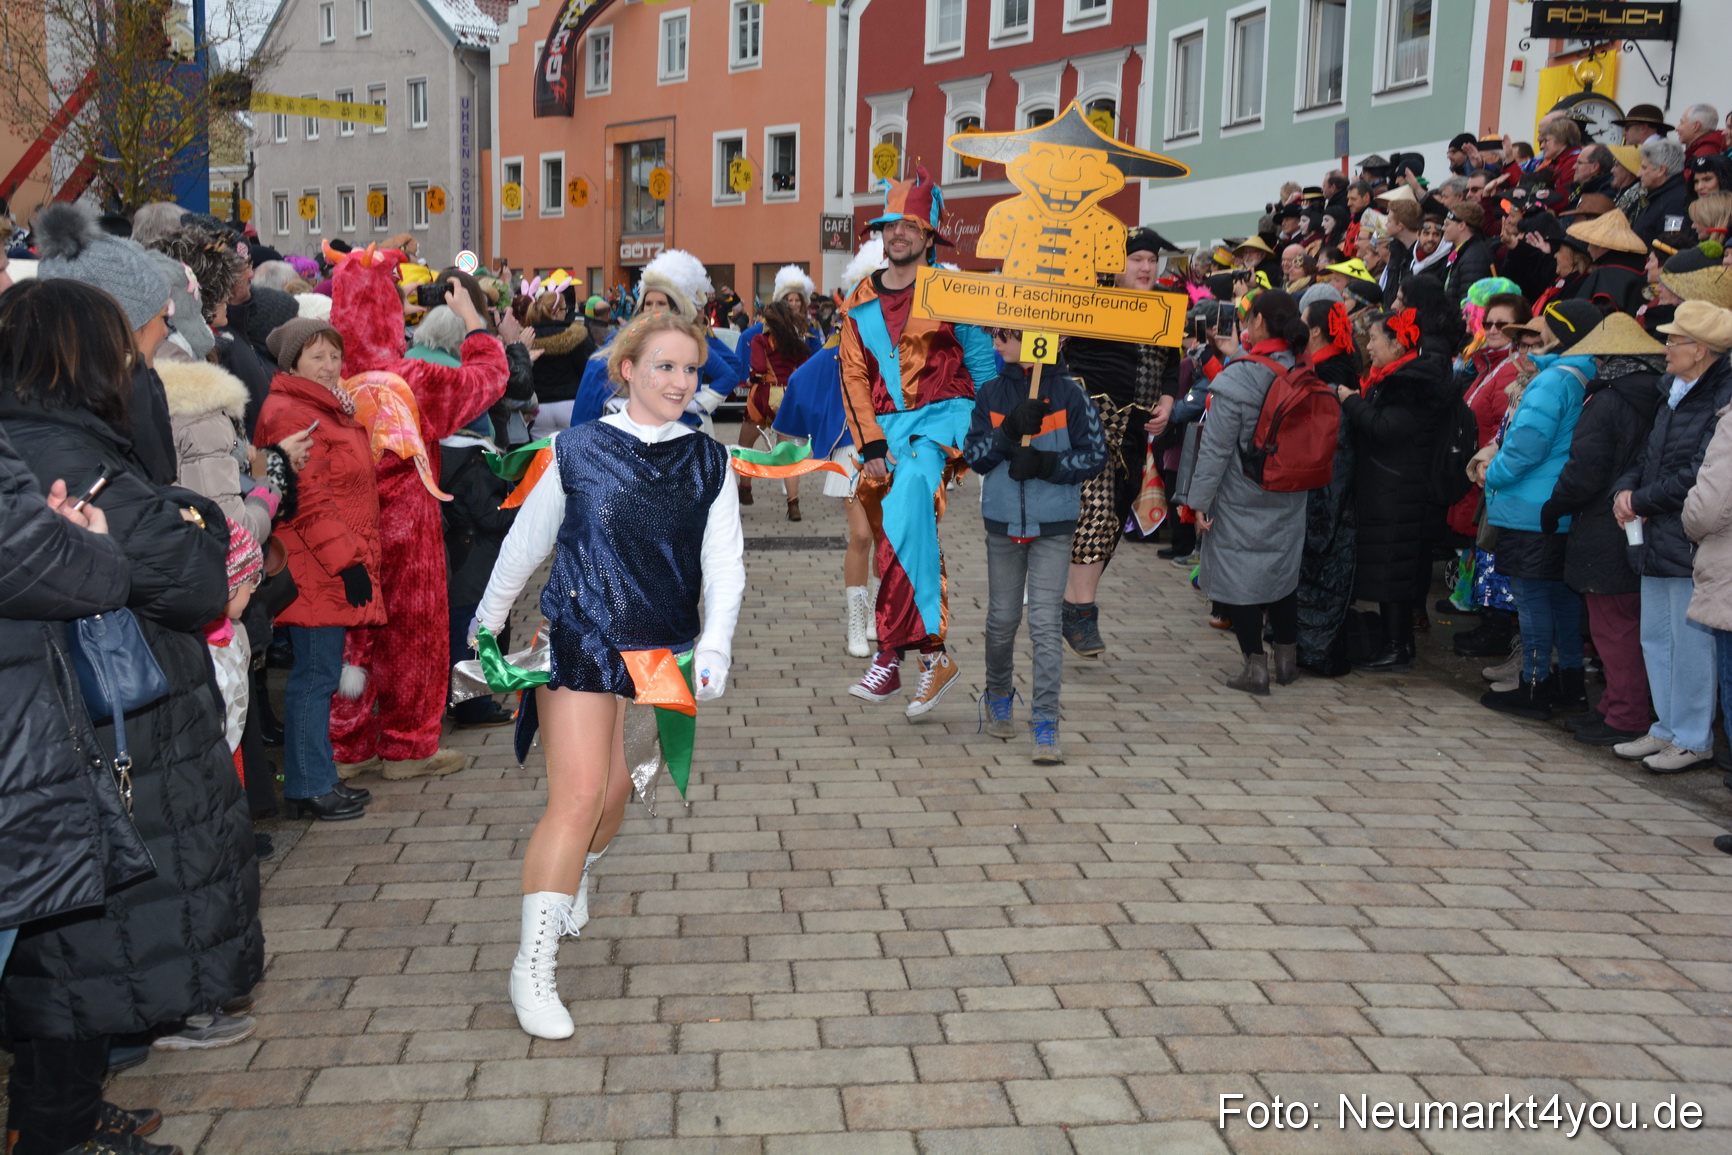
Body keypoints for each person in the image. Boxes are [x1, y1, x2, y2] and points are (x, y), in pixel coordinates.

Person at [0, 279, 263, 1150]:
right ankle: (59, 1129)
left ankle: (66, 1112)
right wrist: (192, 524)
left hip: (64, 743)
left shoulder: (30, 445)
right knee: (83, 958)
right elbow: (193, 579)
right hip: (101, 750)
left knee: (65, 961)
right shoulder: (73, 459)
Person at [471, 313, 744, 1039]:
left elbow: (724, 564)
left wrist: (715, 643)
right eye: (664, 366)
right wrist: (485, 624)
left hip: (656, 646)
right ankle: (532, 963)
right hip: (582, 637)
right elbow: (523, 547)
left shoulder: (709, 460)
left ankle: (574, 875)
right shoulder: (576, 449)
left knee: (617, 792)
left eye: (691, 369)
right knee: (581, 793)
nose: (681, 382)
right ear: (627, 368)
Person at [327, 255, 509, 781]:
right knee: (415, 634)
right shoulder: (409, 378)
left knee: (352, 638)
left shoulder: (324, 379)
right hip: (407, 525)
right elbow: (489, 378)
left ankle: (348, 748)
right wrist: (474, 322)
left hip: (343, 527)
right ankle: (407, 745)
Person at [840, 165, 996, 715]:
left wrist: (986, 430)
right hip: (885, 432)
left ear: (929, 233)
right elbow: (853, 377)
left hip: (943, 420)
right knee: (898, 533)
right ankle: (931, 656)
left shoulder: (953, 292)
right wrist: (872, 445)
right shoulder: (859, 300)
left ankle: (890, 654)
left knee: (907, 502)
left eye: (909, 225)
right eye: (890, 226)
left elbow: (980, 364)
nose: (898, 234)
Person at [254, 317, 379, 819]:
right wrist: (347, 562)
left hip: (324, 562)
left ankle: (318, 777)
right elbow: (308, 498)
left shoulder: (324, 407)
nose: (330, 366)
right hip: (315, 565)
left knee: (320, 673)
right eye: (317, 356)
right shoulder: (290, 411)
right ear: (293, 363)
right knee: (314, 677)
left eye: (334, 355)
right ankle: (307, 785)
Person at [964, 328, 1106, 762]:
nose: (995, 345)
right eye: (995, 336)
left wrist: (1048, 463)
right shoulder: (990, 393)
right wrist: (1007, 432)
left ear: (1034, 339)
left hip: (1054, 525)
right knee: (1002, 620)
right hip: (1003, 524)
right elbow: (974, 457)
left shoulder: (1070, 394)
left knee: (1045, 625)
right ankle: (998, 693)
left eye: (1005, 337)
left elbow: (1095, 453)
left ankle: (1046, 723)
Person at [1612, 299, 1732, 772]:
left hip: (1689, 534)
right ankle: (1665, 726)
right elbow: (1649, 453)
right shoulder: (1674, 390)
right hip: (1655, 532)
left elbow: (1698, 474)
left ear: (1700, 350)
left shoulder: (1719, 398)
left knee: (1691, 644)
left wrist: (1639, 500)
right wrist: (1626, 488)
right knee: (1656, 636)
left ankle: (1693, 735)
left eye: (1673, 341)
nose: (1665, 349)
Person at [1540, 313, 1665, 745]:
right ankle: (1616, 706)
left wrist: (1556, 504)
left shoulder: (1610, 399)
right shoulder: (1657, 395)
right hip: (1632, 523)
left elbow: (1586, 469)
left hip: (1603, 524)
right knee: (1621, 624)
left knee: (1614, 628)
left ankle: (1625, 714)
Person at [1058, 228, 1181, 660]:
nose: (1146, 267)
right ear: (1118, 264)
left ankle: (1069, 601)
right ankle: (1080, 611)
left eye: (1151, 260)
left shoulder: (1166, 306)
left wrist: (1166, 400)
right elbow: (1056, 344)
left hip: (1136, 427)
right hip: (1090, 417)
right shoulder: (1089, 296)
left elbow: (1171, 365)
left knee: (1116, 511)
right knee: (1098, 506)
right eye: (1137, 260)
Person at [1477, 300, 1601, 718]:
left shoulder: (1552, 381)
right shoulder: (1585, 374)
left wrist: (1492, 474)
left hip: (1531, 507)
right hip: (1558, 507)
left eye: (1544, 329)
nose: (1536, 337)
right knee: (1561, 600)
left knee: (1532, 600)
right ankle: (1569, 685)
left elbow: (1527, 445)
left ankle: (1534, 687)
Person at [1188, 290, 1316, 694]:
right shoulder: (1303, 367)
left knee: (1239, 577)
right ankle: (1287, 662)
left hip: (1240, 493)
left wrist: (1198, 502)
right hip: (1291, 491)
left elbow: (1215, 449)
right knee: (1281, 574)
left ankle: (1254, 667)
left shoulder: (1239, 376)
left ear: (1258, 321)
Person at [773, 242, 886, 657]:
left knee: (884, 536)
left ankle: (876, 614)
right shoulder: (838, 347)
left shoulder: (905, 345)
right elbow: (805, 379)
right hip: (850, 451)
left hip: (894, 451)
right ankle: (857, 623)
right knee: (861, 535)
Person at [1335, 307, 1451, 671]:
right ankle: (1396, 643)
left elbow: (1385, 428)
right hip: (1388, 486)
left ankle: (1396, 645)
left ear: (1399, 344)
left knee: (1393, 571)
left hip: (1399, 488)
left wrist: (1350, 401)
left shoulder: (1410, 383)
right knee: (1390, 567)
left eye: (1373, 338)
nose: (1367, 346)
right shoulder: (1396, 376)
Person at [1293, 298, 1360, 675]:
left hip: (1329, 488)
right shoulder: (1325, 367)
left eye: (1305, 322)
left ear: (1315, 331)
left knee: (1324, 568)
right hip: (1321, 483)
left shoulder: (1332, 375)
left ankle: (1316, 649)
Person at [745, 299, 816, 520]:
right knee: (789, 454)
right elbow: (805, 370)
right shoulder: (797, 342)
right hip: (789, 399)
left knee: (746, 443)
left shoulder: (760, 339)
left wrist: (751, 378)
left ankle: (745, 489)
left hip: (765, 396)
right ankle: (793, 504)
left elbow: (757, 369)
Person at [1631, 139, 1691, 245]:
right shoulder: (1659, 195)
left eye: (1644, 168)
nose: (1639, 174)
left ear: (1661, 170)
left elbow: (1670, 243)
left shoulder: (1676, 202)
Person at [1440, 203, 1495, 308]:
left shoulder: (1474, 257)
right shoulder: (1463, 252)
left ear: (1461, 226)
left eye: (1447, 224)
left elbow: (1469, 304)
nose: (1443, 228)